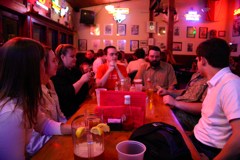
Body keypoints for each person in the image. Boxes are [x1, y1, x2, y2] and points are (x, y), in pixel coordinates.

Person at [0, 37, 70, 160]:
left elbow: (44, 124)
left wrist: (80, 128)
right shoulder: (11, 114)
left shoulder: (24, 99)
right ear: (30, 69)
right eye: (44, 63)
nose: (47, 68)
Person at [191, 38, 240, 159]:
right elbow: (211, 118)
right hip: (198, 139)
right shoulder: (216, 82)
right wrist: (192, 133)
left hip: (209, 150)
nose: (197, 62)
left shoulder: (231, 84)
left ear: (202, 60)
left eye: (197, 59)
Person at [26, 45, 70, 156]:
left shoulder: (49, 83)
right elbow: (32, 145)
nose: (57, 64)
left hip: (53, 137)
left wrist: (72, 128)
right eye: (54, 61)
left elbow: (56, 117)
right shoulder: (28, 93)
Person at [51, 44, 91, 118]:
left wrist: (88, 81)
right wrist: (82, 80)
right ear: (63, 57)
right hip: (67, 113)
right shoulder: (57, 73)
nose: (75, 59)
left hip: (80, 107)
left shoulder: (75, 70)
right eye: (72, 56)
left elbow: (84, 91)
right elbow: (67, 94)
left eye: (75, 56)